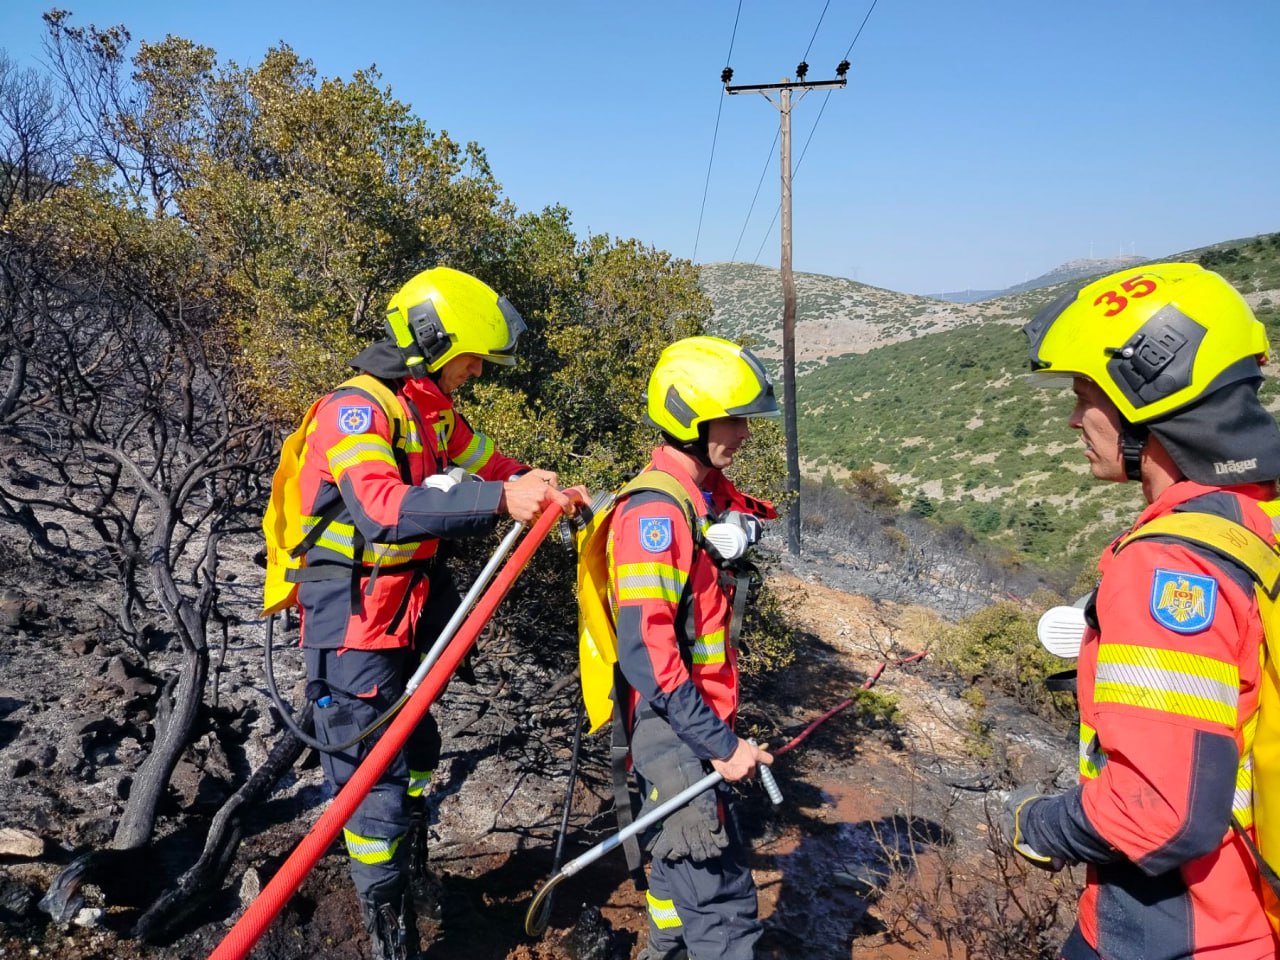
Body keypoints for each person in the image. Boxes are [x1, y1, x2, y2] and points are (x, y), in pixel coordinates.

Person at [291, 266, 577, 960]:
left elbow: (491, 461)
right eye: (470, 356)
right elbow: (382, 510)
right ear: (431, 340)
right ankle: (385, 934)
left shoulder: (428, 406)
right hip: (353, 623)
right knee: (373, 788)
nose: (476, 370)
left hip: (406, 614)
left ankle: (408, 879)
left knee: (418, 750)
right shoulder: (356, 410)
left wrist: (545, 486)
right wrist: (497, 502)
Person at [1009, 262, 1280, 959]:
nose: (1075, 419)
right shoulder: (1260, 518)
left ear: (1144, 395)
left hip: (1180, 928)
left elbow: (1161, 811)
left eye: (1082, 395)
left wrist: (1042, 825)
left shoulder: (1168, 566)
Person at [610, 335, 780, 960]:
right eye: (732, 419)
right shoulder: (654, 515)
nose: (743, 433)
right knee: (727, 921)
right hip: (674, 736)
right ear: (690, 419)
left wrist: (743, 526)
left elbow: (748, 513)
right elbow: (647, 653)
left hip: (697, 726)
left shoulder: (699, 496)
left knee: (675, 908)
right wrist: (723, 746)